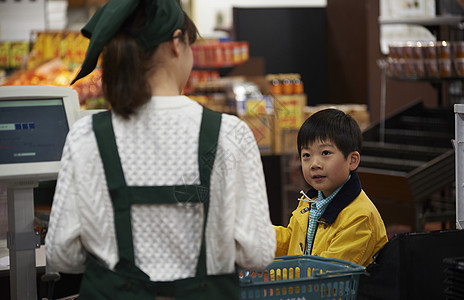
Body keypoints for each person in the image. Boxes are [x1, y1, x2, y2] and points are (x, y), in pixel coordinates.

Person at [45, 0, 276, 299]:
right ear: (177, 43)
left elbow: (63, 255)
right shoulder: (229, 135)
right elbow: (257, 253)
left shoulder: (86, 136)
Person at [274, 108, 388, 267]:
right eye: (306, 155)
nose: (314, 164)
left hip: (342, 291)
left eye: (325, 153)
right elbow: (291, 241)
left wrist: (274, 277)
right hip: (305, 288)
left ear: (352, 161)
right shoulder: (310, 200)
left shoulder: (360, 217)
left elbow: (327, 275)